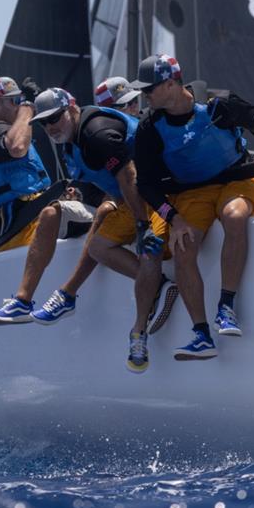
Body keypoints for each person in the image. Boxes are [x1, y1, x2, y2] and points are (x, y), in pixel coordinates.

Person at [130, 54, 254, 360]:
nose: (145, 95)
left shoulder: (219, 104)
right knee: (184, 248)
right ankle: (201, 335)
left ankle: (226, 307)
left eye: (150, 89)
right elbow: (145, 185)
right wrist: (173, 219)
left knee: (234, 215)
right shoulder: (150, 128)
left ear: (172, 83)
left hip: (237, 180)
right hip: (193, 193)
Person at [27, 88, 169, 372]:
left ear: (72, 108)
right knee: (98, 247)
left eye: (55, 117)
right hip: (133, 197)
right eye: (44, 122)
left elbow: (129, 175)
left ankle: (138, 332)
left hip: (162, 192)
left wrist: (142, 226)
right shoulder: (71, 141)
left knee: (149, 250)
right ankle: (160, 286)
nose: (51, 126)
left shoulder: (96, 134)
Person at [0, 77, 95, 325]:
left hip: (12, 237)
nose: (18, 105)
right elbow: (18, 146)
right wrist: (28, 108)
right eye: (14, 101)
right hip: (32, 230)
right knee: (114, 213)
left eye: (19, 101)